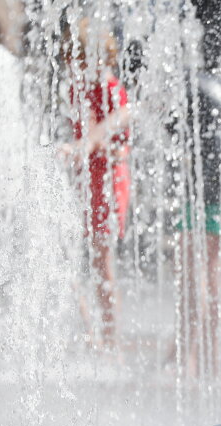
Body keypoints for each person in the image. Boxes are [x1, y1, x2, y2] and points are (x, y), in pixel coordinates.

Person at [60, 18, 130, 349]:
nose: (72, 66)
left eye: (79, 59)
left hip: (107, 182)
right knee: (62, 251)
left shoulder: (110, 87)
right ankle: (92, 332)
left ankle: (111, 341)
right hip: (85, 181)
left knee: (102, 262)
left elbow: (119, 144)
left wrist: (86, 145)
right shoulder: (78, 88)